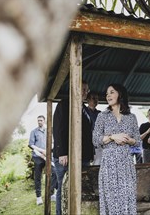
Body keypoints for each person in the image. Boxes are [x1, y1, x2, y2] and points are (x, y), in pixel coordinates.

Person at [93, 83, 141, 215]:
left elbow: (137, 141)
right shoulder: (102, 116)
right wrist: (113, 137)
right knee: (111, 198)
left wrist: (128, 140)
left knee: (127, 196)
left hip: (126, 163)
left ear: (120, 94)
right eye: (107, 93)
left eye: (112, 92)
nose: (108, 95)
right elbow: (96, 140)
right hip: (109, 163)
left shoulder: (131, 117)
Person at [52, 80, 94, 215]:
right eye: (83, 89)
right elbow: (58, 129)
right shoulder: (64, 104)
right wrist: (62, 152)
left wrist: (91, 154)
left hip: (83, 156)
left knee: (79, 187)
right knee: (63, 187)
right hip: (66, 156)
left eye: (87, 90)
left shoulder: (85, 108)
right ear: (74, 88)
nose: (86, 92)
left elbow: (87, 134)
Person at [28, 115, 57, 205]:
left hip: (48, 156)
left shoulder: (49, 131)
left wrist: (48, 151)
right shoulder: (34, 132)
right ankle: (38, 197)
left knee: (54, 172)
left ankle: (51, 194)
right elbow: (31, 145)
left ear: (44, 121)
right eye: (38, 120)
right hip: (38, 156)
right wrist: (42, 151)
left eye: (41, 120)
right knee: (38, 177)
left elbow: (52, 143)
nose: (39, 122)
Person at [86, 91, 102, 165]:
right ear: (88, 100)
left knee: (98, 165)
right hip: (87, 142)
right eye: (93, 98)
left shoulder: (100, 114)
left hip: (98, 143)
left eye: (97, 98)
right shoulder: (83, 112)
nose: (95, 100)